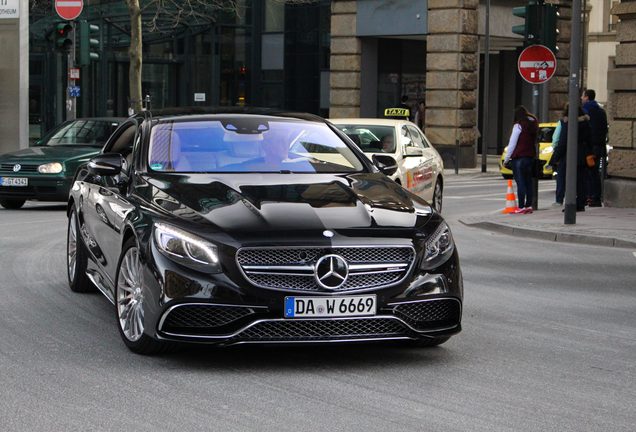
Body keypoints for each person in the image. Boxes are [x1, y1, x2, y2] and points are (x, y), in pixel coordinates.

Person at [548, 105, 592, 212]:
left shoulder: (567, 123)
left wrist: (554, 159)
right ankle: (580, 203)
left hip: (568, 155)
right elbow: (590, 139)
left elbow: (563, 142)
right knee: (581, 180)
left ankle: (570, 203)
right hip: (582, 155)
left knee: (567, 179)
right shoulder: (586, 123)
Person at [503, 106, 538, 214]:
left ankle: (521, 206)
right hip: (530, 157)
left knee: (520, 182)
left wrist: (506, 159)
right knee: (528, 182)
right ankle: (528, 205)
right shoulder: (533, 125)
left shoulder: (518, 126)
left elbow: (512, 144)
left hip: (519, 158)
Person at [581, 89, 608, 207]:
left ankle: (589, 197)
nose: (581, 98)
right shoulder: (601, 111)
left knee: (586, 172)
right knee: (594, 172)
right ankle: (595, 197)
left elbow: (584, 128)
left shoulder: (585, 110)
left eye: (582, 96)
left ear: (586, 97)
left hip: (589, 147)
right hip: (599, 146)